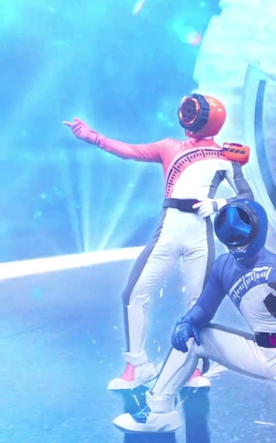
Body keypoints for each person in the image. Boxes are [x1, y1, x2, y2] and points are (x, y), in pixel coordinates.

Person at [112, 199, 276, 438]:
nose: (238, 244)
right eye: (232, 238)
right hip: (259, 350)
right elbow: (205, 308)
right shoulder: (224, 266)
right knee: (193, 337)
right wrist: (188, 321)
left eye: (241, 237)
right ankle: (159, 412)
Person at [65, 94, 254, 391]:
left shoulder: (226, 157)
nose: (187, 116)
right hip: (169, 230)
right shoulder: (170, 147)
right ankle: (136, 365)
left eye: (192, 111)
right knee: (134, 294)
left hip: (200, 234)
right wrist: (93, 138)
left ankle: (192, 366)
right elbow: (130, 151)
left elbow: (246, 196)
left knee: (198, 303)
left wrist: (219, 204)